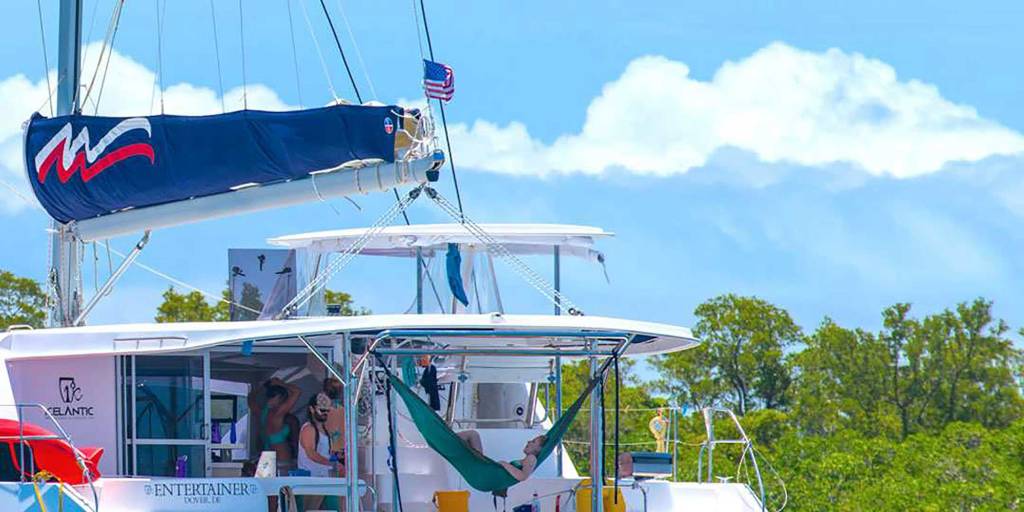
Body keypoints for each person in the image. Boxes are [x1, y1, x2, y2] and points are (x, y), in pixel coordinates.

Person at [248, 377, 301, 470]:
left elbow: (250, 397)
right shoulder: (278, 413)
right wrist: (281, 383)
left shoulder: (260, 412)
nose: (284, 402)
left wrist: (263, 386)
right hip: (282, 459)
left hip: (266, 458)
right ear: (279, 397)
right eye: (283, 399)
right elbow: (297, 391)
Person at [298, 393, 340, 512]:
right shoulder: (308, 429)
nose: (325, 413)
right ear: (312, 409)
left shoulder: (324, 430)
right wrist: (331, 464)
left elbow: (325, 452)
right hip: (312, 481)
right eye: (322, 410)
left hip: (325, 479)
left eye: (327, 410)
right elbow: (311, 453)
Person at [455, 430, 547, 482]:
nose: (528, 442)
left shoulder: (531, 458)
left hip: (486, 474)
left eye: (533, 441)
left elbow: (523, 476)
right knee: (470, 439)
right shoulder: (527, 459)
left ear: (538, 449)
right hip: (486, 471)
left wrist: (504, 464)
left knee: (473, 435)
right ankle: (445, 436)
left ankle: (445, 437)